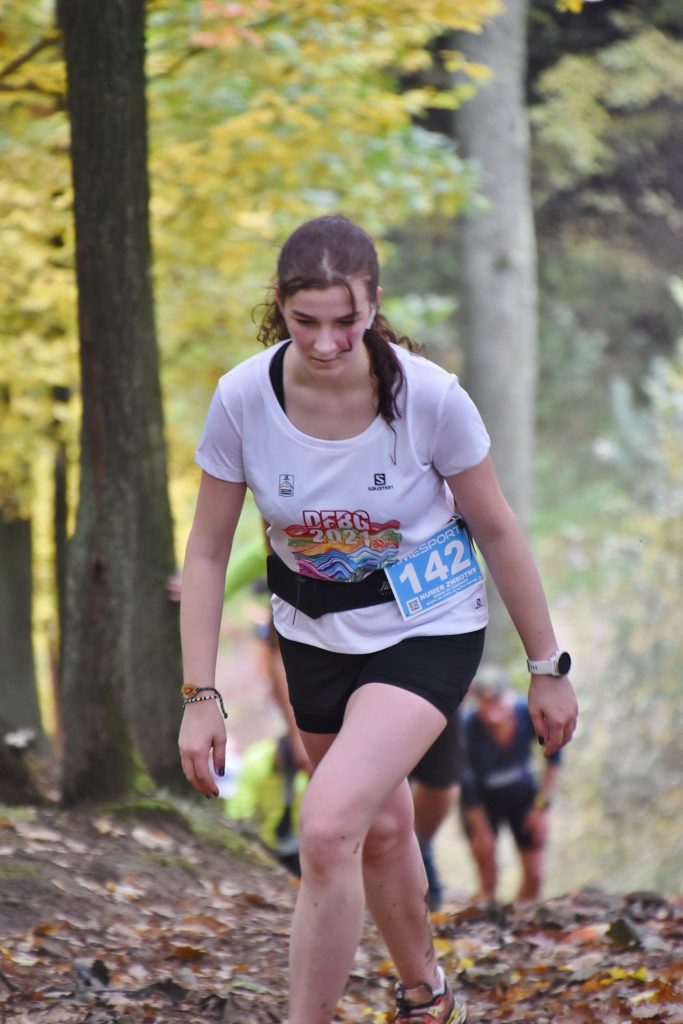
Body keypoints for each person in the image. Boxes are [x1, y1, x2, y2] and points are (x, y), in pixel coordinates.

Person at [177, 214, 578, 1024]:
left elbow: (497, 529)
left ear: (373, 304)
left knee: (327, 827)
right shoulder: (242, 399)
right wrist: (199, 695)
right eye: (305, 321)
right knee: (383, 828)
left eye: (346, 321)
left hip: (427, 624)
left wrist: (546, 667)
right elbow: (209, 552)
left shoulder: (429, 399)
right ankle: (427, 995)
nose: (326, 342)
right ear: (279, 306)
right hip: (312, 634)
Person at [460, 665, 562, 903]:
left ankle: (519, 914)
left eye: (497, 700)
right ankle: (486, 912)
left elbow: (554, 759)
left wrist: (541, 808)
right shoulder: (468, 728)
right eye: (485, 702)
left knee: (535, 876)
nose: (493, 710)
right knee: (487, 872)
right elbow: (465, 781)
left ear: (510, 695)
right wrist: (480, 828)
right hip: (480, 804)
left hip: (523, 797)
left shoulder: (528, 715)